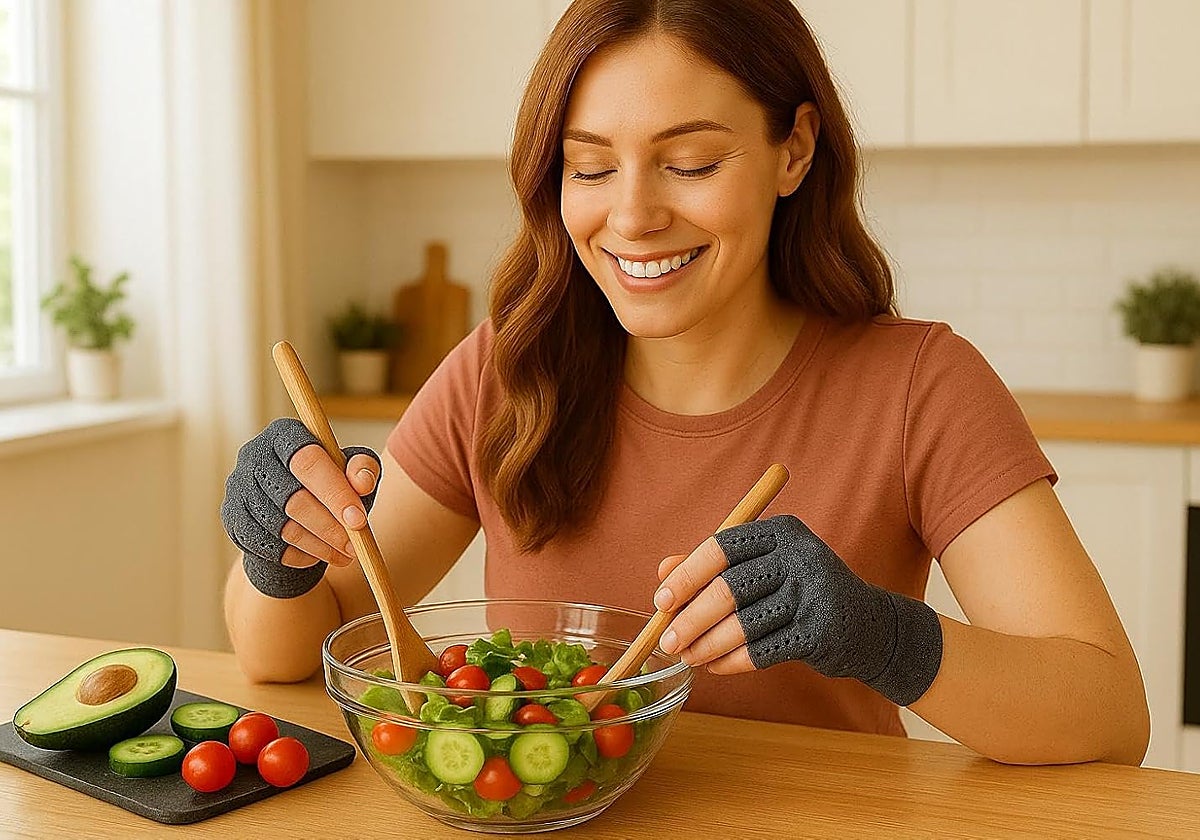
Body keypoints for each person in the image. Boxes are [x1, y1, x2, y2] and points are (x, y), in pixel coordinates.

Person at [221, 0, 1150, 766]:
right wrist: (278, 554)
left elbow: (1109, 714)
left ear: (794, 149)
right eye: (590, 167)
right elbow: (291, 646)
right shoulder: (509, 368)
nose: (632, 215)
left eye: (691, 163)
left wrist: (880, 634)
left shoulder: (918, 385)